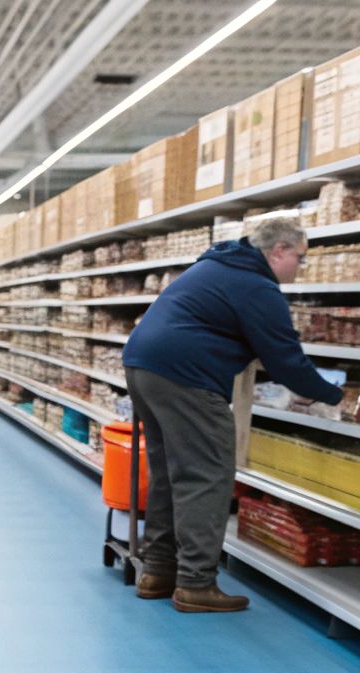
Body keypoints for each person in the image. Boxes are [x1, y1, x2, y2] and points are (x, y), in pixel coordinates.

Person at [120, 216, 344, 613]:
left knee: (171, 475)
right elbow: (286, 360)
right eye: (300, 257)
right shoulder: (257, 286)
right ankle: (196, 584)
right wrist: (332, 395)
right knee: (206, 476)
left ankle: (158, 571)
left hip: (144, 367)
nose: (300, 266)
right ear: (279, 251)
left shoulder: (218, 266)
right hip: (185, 376)